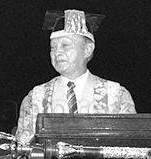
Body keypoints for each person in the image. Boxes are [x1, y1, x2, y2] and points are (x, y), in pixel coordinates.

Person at [15, 9, 136, 144]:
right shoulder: (35, 98)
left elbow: (131, 148)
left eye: (65, 46)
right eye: (53, 47)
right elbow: (22, 152)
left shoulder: (116, 95)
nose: (57, 52)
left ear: (87, 50)